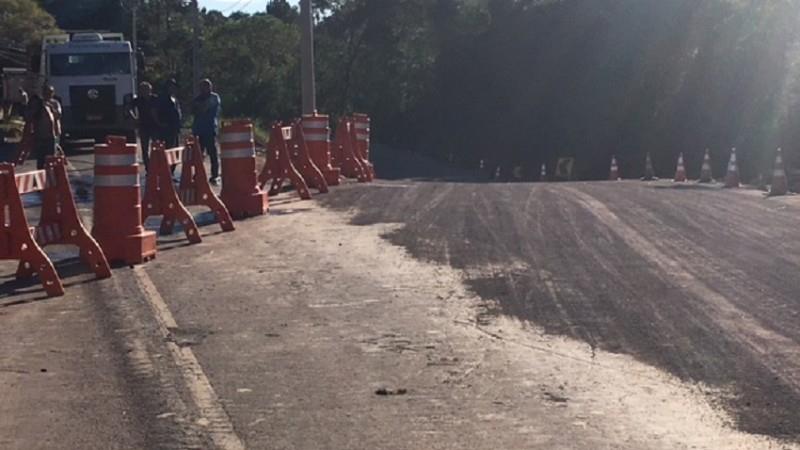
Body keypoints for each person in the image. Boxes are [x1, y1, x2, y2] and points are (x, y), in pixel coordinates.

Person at [191, 79, 222, 184]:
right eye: (203, 86)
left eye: (208, 86)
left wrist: (201, 107)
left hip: (210, 129)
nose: (206, 88)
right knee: (199, 155)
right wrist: (200, 107)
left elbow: (206, 108)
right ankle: (198, 174)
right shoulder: (197, 99)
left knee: (212, 153)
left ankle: (214, 175)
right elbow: (194, 110)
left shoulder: (214, 97)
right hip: (199, 129)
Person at [128, 81, 159, 171]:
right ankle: (148, 167)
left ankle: (157, 164)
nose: (145, 91)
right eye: (143, 89)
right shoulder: (138, 100)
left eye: (147, 89)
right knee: (144, 148)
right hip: (143, 126)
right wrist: (134, 117)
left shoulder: (155, 98)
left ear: (150, 90)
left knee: (156, 147)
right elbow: (129, 108)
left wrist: (159, 121)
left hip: (154, 125)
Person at [26, 93, 58, 170]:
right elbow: (28, 118)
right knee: (41, 160)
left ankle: (50, 176)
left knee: (50, 160)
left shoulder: (46, 108)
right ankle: (43, 176)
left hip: (49, 137)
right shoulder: (34, 113)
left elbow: (55, 118)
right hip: (40, 138)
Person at [156, 78, 182, 148]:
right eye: (171, 86)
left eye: (174, 86)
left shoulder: (174, 98)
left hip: (174, 127)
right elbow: (155, 111)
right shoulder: (162, 97)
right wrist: (159, 122)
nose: (173, 88)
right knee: (167, 148)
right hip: (166, 128)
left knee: (175, 147)